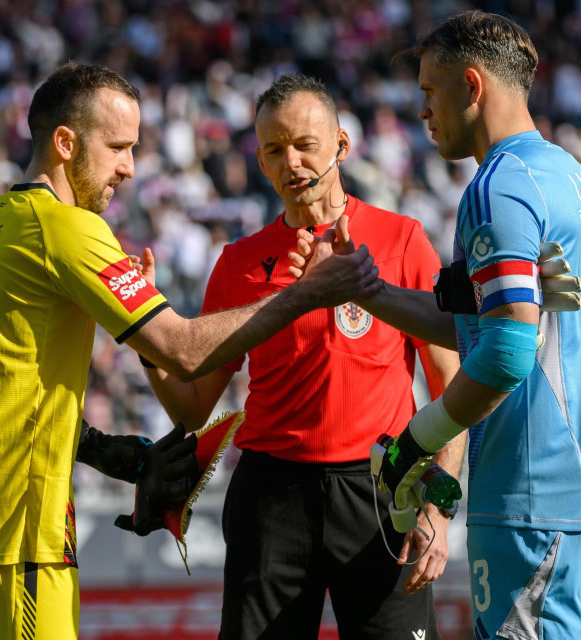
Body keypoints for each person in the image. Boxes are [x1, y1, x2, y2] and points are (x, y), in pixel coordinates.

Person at [0, 63, 378, 640]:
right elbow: (184, 352)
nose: (128, 166)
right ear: (66, 143)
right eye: (118, 147)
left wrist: (102, 449)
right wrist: (305, 294)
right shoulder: (66, 228)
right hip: (17, 533)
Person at [144, 72, 465, 640]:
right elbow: (193, 409)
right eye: (274, 149)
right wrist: (144, 336)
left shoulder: (401, 238)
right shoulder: (238, 263)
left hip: (380, 491)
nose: (290, 162)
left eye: (304, 145)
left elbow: (450, 389)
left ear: (341, 145)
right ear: (261, 163)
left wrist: (438, 510)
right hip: (272, 499)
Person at [291, 11, 581, 638]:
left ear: (471, 86)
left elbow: (507, 353)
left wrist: (414, 443)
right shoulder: (566, 174)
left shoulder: (496, 187)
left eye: (428, 91)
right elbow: (491, 329)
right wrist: (363, 289)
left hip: (528, 499)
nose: (422, 110)